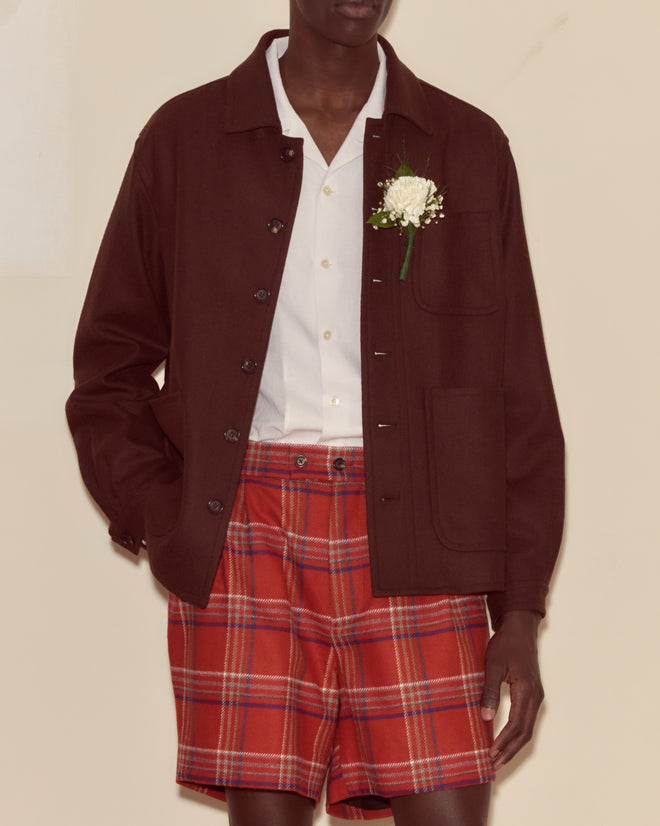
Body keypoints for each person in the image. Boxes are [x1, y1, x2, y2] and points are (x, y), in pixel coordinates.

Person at [66, 1, 564, 823]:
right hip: (247, 532)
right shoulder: (186, 140)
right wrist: (168, 516)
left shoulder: (464, 145)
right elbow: (109, 364)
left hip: (423, 535)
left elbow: (517, 391)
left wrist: (519, 610)